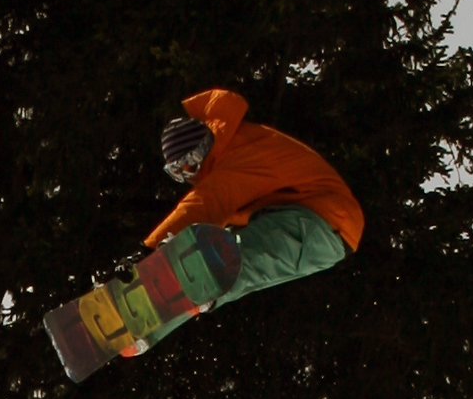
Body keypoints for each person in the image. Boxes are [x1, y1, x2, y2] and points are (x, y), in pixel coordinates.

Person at [141, 88, 362, 337]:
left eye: (189, 164)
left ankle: (149, 320)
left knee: (226, 261)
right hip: (311, 221)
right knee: (217, 258)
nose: (189, 176)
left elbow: (204, 204)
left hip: (324, 219)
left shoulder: (237, 152)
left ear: (203, 148)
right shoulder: (229, 156)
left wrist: (148, 250)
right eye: (179, 174)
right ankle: (145, 328)